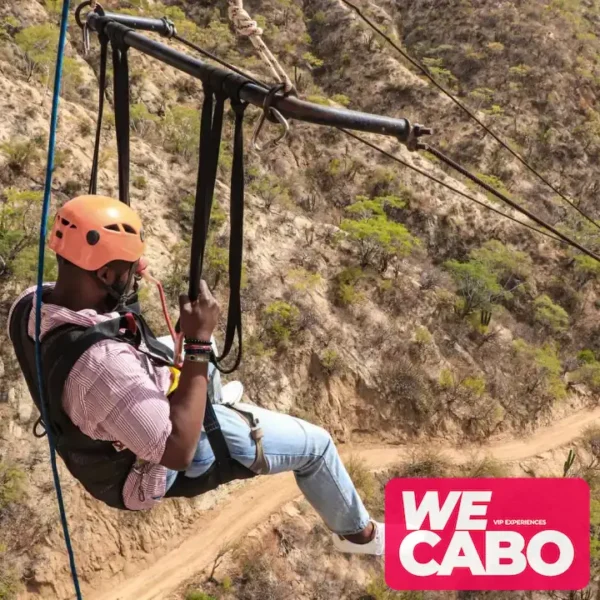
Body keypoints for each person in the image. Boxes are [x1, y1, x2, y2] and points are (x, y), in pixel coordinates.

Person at [8, 194, 384, 556]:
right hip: (145, 470)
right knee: (316, 446)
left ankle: (213, 399)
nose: (138, 274)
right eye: (128, 270)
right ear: (104, 272)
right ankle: (359, 534)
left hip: (101, 417)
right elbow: (177, 452)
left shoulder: (31, 304)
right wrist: (198, 343)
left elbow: (107, 355)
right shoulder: (105, 368)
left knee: (206, 345)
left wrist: (197, 340)